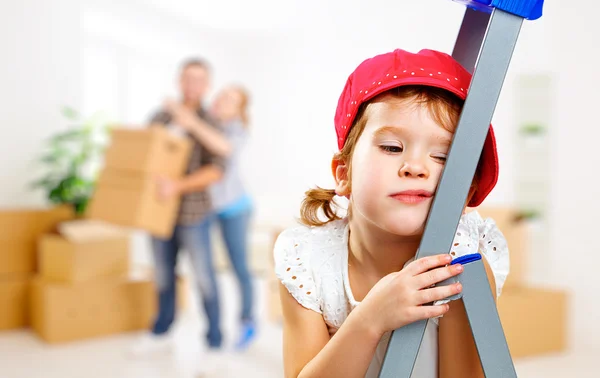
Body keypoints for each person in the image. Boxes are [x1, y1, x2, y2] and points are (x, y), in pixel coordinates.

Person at [274, 49, 510, 378]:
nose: (416, 167)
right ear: (344, 173)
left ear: (466, 193)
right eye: (392, 148)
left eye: (442, 156)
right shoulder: (306, 261)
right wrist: (369, 320)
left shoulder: (460, 269)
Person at [132, 58, 231, 356]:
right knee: (163, 275)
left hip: (194, 214)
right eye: (188, 79)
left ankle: (214, 342)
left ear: (207, 86)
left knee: (204, 278)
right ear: (179, 81)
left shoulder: (211, 123)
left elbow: (216, 170)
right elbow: (143, 155)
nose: (192, 85)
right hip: (158, 211)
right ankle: (161, 330)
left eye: (199, 80)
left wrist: (177, 186)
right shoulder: (160, 117)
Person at [208, 86, 257, 350]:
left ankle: (247, 321)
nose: (221, 100)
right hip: (208, 208)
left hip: (236, 208)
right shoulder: (208, 121)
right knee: (208, 268)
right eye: (222, 94)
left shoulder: (237, 130)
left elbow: (224, 149)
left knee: (239, 267)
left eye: (230, 100)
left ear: (239, 109)